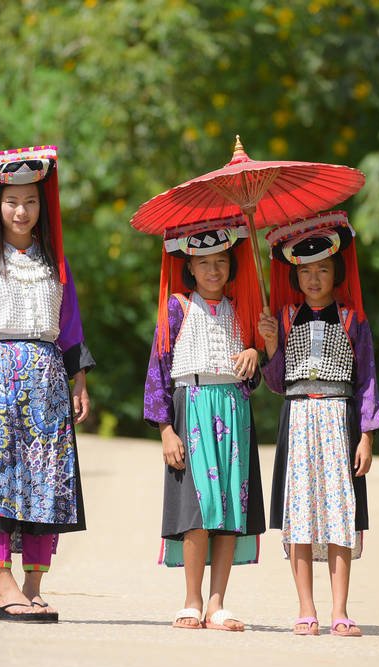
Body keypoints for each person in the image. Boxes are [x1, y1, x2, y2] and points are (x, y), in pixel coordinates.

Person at [0, 145, 95, 623]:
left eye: (30, 201)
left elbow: (70, 329)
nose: (21, 211)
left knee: (44, 483)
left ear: (41, 205)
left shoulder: (57, 263)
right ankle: (1, 584)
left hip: (49, 381)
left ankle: (33, 584)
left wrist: (80, 383)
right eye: (12, 201)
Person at [257, 211, 379, 637]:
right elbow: (277, 384)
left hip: (338, 418)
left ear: (336, 272)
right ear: (296, 275)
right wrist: (272, 345)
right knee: (300, 511)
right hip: (297, 418)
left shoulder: (352, 320)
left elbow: (366, 379)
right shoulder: (286, 318)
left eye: (322, 270)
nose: (313, 279)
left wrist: (365, 435)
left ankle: (341, 610)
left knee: (338, 512)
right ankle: (306, 608)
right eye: (306, 271)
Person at [143, 215, 266, 632]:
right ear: (190, 266)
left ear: (231, 266)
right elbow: (158, 369)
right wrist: (165, 430)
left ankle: (218, 603)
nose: (214, 270)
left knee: (229, 508)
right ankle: (191, 599)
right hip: (191, 408)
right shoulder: (177, 308)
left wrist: (256, 351)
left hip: (233, 412)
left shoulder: (245, 311)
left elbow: (254, 378)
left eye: (222, 262)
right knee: (198, 509)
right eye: (205, 262)